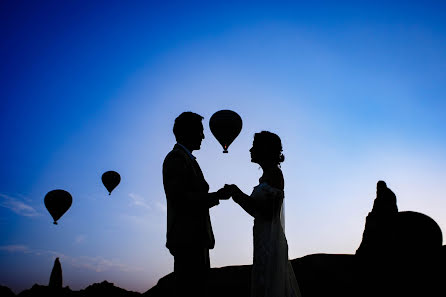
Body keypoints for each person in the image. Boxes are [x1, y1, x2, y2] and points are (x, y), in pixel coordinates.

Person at [225, 131, 301, 297]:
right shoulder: (266, 176)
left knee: (269, 283)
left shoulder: (274, 174)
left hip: (270, 238)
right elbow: (257, 211)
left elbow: (266, 213)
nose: (250, 149)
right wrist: (235, 195)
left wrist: (237, 193)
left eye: (254, 146)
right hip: (263, 236)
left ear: (265, 148)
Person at [162, 111, 230, 297]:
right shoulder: (176, 158)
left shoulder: (187, 159)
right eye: (200, 131)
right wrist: (216, 196)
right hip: (188, 239)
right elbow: (181, 199)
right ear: (187, 132)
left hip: (195, 239)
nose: (203, 136)